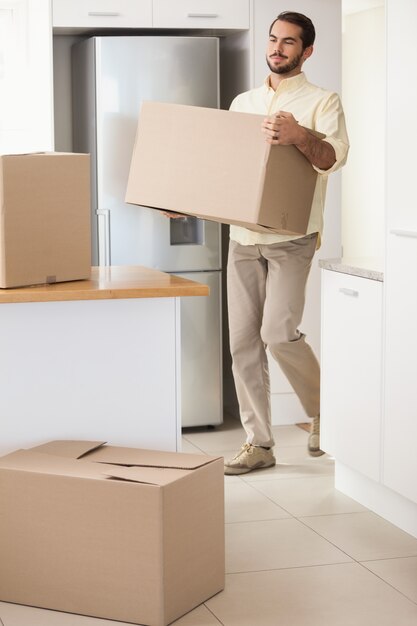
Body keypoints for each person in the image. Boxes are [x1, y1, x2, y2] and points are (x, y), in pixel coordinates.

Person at [224, 11, 349, 475]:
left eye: (289, 42)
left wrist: (300, 136)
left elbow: (333, 158)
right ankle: (259, 443)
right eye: (273, 40)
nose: (277, 48)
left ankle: (325, 412)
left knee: (278, 332)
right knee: (242, 344)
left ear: (307, 51)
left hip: (292, 237)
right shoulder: (243, 102)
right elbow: (229, 167)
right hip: (242, 236)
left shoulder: (322, 101)